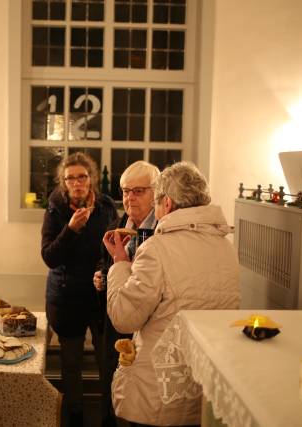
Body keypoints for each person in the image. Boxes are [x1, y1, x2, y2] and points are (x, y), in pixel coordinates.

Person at [102, 161, 240, 427]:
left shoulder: (157, 248)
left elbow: (124, 318)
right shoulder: (226, 248)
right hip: (204, 380)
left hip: (159, 389)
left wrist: (119, 264)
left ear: (166, 204)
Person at [41, 152, 118, 426]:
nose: (77, 183)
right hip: (66, 298)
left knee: (107, 359)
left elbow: (115, 248)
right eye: (70, 178)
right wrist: (70, 230)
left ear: (91, 178)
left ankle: (109, 415)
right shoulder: (56, 209)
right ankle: (75, 416)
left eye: (82, 177)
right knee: (71, 364)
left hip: (100, 297)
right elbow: (49, 257)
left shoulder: (106, 208)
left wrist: (104, 271)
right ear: (63, 182)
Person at [92, 160, 160, 427]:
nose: (129, 197)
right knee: (112, 390)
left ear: (156, 193)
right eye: (125, 191)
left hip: (146, 327)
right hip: (116, 324)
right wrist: (101, 275)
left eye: (138, 191)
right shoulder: (118, 222)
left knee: (139, 403)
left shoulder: (160, 232)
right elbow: (105, 261)